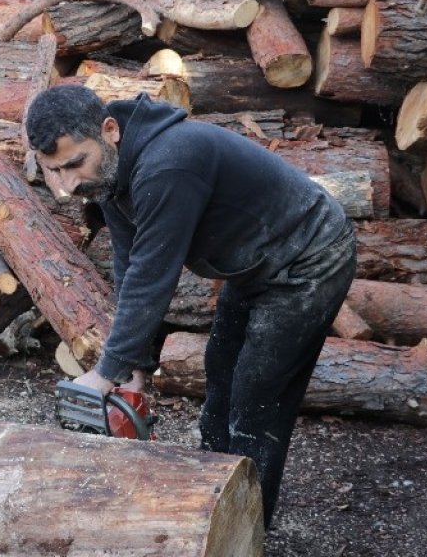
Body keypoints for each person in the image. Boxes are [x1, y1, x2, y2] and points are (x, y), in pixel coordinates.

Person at [26, 85, 357, 528]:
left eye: (73, 165)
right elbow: (129, 267)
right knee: (220, 376)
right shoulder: (111, 173)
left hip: (309, 258)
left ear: (109, 131)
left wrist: (105, 373)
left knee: (257, 400)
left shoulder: (168, 163)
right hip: (256, 262)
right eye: (54, 172)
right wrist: (133, 370)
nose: (67, 186)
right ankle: (211, 501)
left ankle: (245, 531)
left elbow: (153, 276)